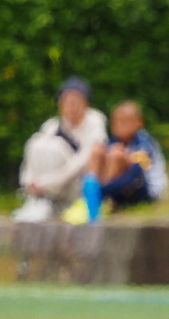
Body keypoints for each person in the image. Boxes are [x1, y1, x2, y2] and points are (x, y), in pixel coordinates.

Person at [13, 77, 108, 223]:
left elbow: (82, 161)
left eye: (75, 101)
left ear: (85, 103)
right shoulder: (51, 126)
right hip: (45, 186)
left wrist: (47, 183)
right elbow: (31, 156)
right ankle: (37, 201)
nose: (71, 106)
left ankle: (52, 200)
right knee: (37, 143)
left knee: (55, 146)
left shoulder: (96, 123)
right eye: (66, 101)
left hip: (76, 185)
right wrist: (29, 182)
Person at [92, 101, 167, 210]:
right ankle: (93, 196)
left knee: (116, 155)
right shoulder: (116, 142)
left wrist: (102, 190)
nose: (120, 125)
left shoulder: (144, 145)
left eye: (125, 121)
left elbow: (133, 175)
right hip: (124, 187)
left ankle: (98, 198)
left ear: (139, 122)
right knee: (98, 151)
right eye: (116, 122)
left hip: (147, 190)